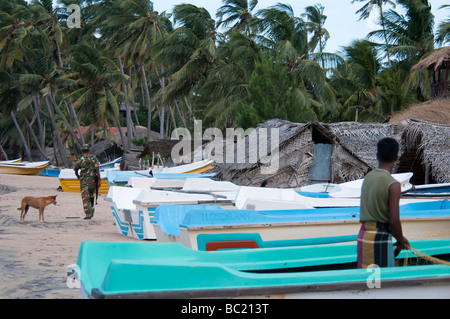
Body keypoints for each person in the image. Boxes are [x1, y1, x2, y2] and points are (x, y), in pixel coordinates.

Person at [357, 137, 410, 268]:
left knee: (367, 283)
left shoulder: (368, 177)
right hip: (380, 238)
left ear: (377, 155)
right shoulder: (393, 185)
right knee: (380, 283)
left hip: (363, 236)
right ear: (396, 158)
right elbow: (393, 220)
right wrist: (400, 240)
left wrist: (400, 239)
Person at [73, 144, 101, 220]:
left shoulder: (80, 160)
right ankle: (91, 212)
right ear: (89, 150)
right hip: (92, 180)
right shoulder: (94, 158)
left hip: (84, 181)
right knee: (91, 196)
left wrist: (78, 176)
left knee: (86, 197)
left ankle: (88, 214)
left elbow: (75, 169)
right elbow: (97, 170)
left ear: (82, 151)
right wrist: (99, 181)